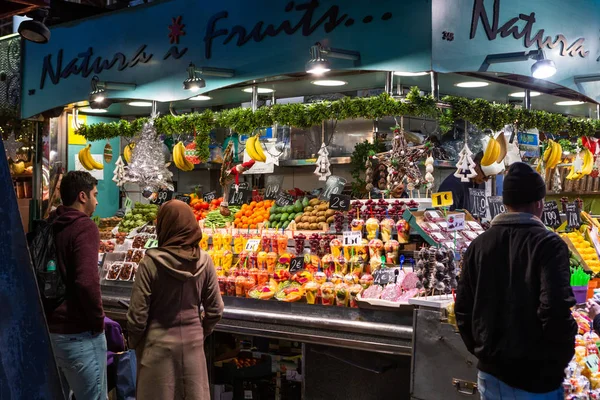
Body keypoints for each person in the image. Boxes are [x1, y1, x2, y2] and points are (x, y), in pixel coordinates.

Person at [455, 162, 577, 399]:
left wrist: (484, 352)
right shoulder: (549, 245)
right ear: (539, 202)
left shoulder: (479, 244)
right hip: (537, 380)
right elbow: (555, 309)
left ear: (506, 203)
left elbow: (463, 310)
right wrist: (558, 358)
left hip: (490, 377)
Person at [127, 200, 224, 399]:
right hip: (193, 349)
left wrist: (134, 343)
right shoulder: (205, 261)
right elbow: (215, 309)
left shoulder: (149, 264)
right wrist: (200, 332)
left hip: (156, 351)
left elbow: (137, 317)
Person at [47, 171, 107, 400]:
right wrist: (98, 320)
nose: (97, 201)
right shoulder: (84, 227)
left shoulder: (52, 223)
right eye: (95, 194)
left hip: (51, 333)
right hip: (79, 335)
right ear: (83, 196)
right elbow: (86, 282)